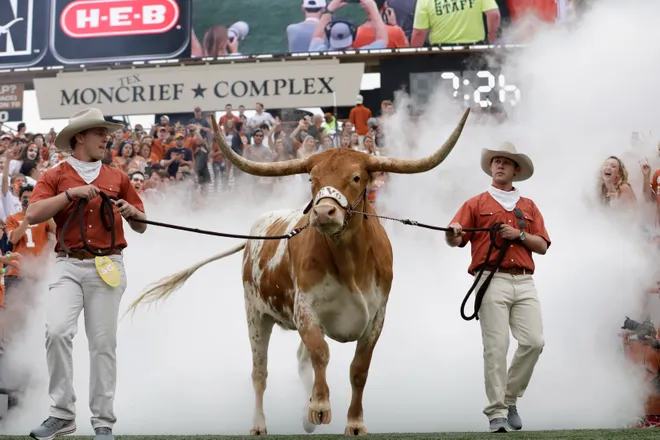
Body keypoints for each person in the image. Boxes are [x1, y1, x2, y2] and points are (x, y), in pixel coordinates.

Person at [25, 108, 147, 440]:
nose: (106, 139)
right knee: (58, 332)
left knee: (103, 344)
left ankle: (103, 421)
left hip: (108, 263)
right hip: (68, 263)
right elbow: (33, 214)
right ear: (81, 137)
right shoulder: (55, 175)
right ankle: (62, 414)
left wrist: (133, 211)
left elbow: (141, 226)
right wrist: (69, 195)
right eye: (99, 133)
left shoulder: (117, 176)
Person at [445, 142, 550, 433]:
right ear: (491, 167)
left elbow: (542, 245)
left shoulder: (528, 205)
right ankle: (497, 413)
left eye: (506, 162)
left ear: (516, 169)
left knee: (534, 342)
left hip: (524, 279)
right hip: (490, 278)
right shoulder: (475, 203)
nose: (500, 165)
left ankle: (509, 398)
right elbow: (456, 237)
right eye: (496, 161)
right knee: (496, 347)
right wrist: (451, 232)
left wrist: (518, 235)